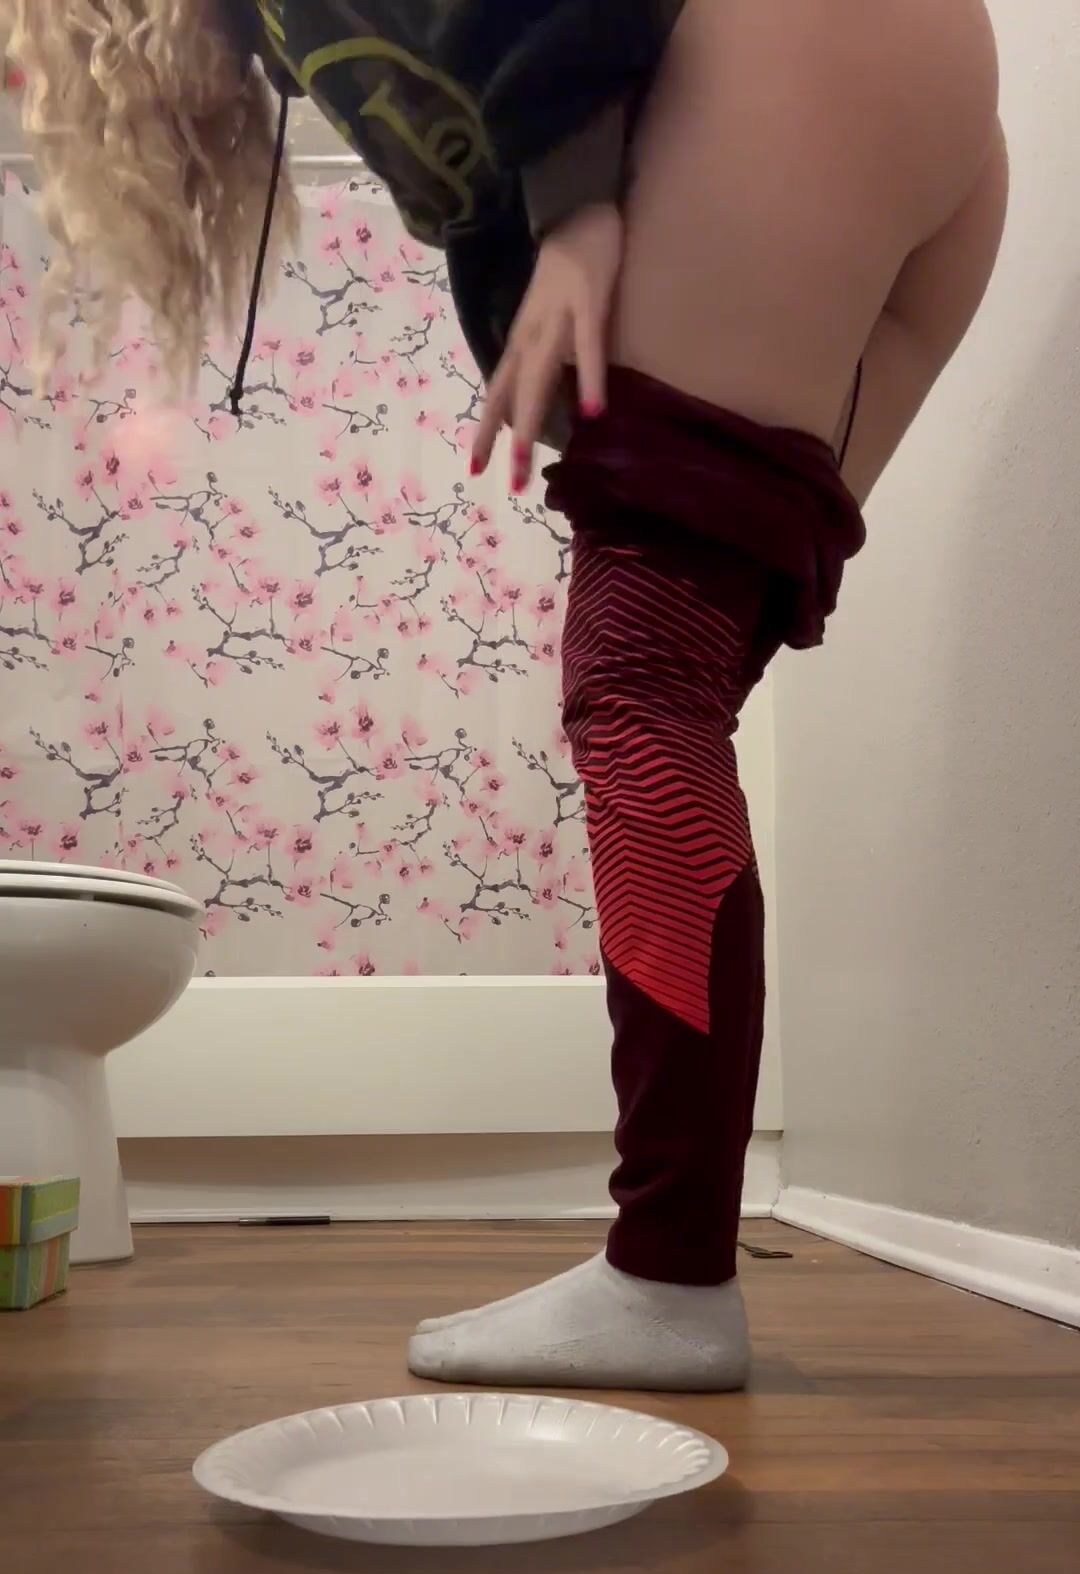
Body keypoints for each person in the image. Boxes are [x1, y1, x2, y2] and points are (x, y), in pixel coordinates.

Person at [5, 0, 1007, 1391]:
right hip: (915, 110)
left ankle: (668, 1275)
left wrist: (579, 211)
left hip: (784, 55)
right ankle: (671, 1260)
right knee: (684, 674)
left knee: (644, 693)